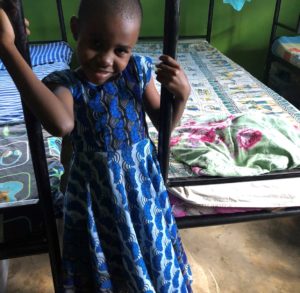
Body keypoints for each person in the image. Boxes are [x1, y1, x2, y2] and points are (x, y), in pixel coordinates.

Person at [0, 0, 192, 291]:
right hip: (94, 200)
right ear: (77, 29)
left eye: (120, 50)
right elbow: (61, 124)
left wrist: (182, 97)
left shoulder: (137, 72)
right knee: (104, 264)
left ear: (133, 46)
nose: (105, 59)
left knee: (150, 255)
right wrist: (8, 48)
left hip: (141, 192)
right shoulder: (66, 83)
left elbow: (165, 128)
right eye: (96, 43)